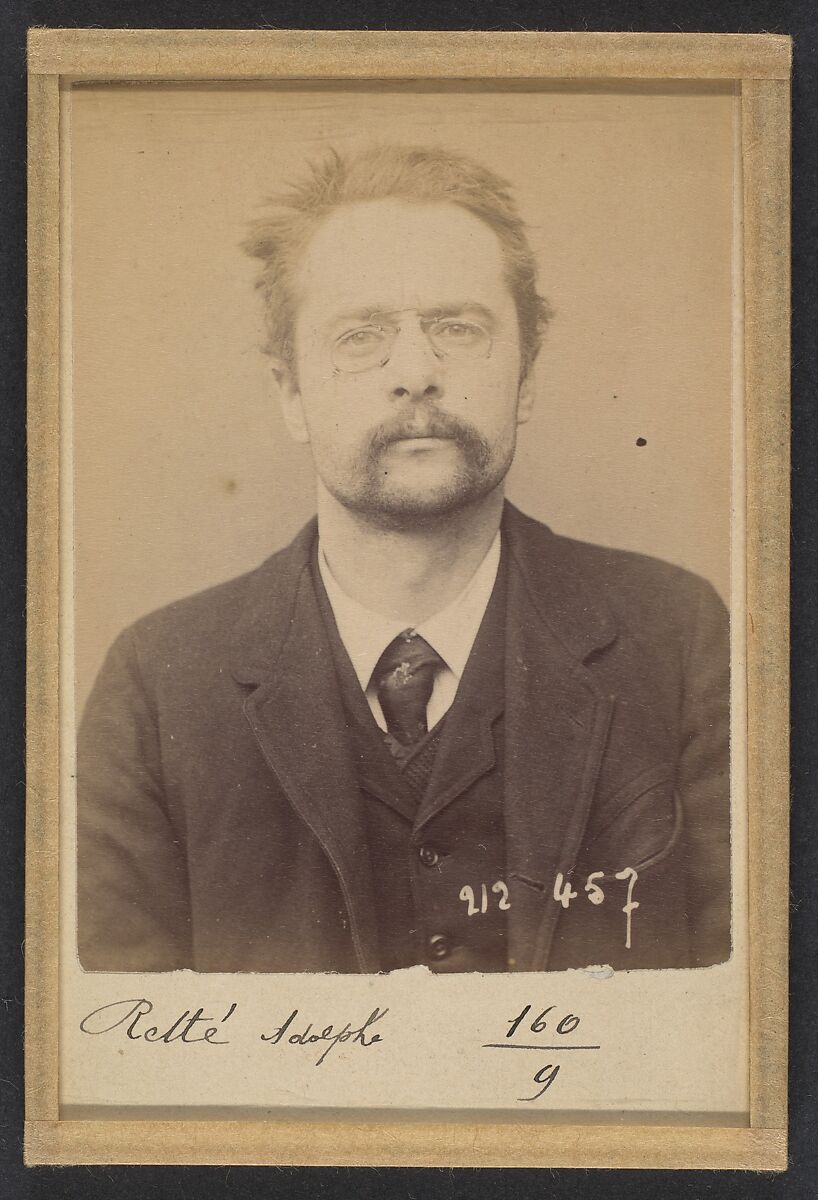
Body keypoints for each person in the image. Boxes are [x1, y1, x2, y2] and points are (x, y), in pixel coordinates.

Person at [77, 143, 730, 974]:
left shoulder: (679, 640)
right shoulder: (155, 680)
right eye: (361, 336)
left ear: (525, 376)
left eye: (458, 329)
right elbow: (114, 1057)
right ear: (291, 392)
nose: (416, 372)